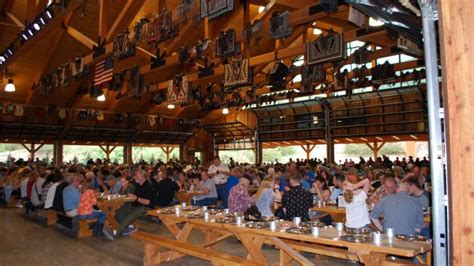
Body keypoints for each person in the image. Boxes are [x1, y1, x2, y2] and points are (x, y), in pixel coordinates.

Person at [103, 169, 156, 240]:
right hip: (136, 205)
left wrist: (136, 198)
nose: (134, 176)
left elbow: (148, 202)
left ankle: (116, 234)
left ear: (142, 176)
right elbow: (127, 189)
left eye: (136, 175)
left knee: (131, 215)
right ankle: (127, 228)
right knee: (119, 209)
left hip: (146, 207)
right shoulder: (137, 184)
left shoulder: (148, 186)